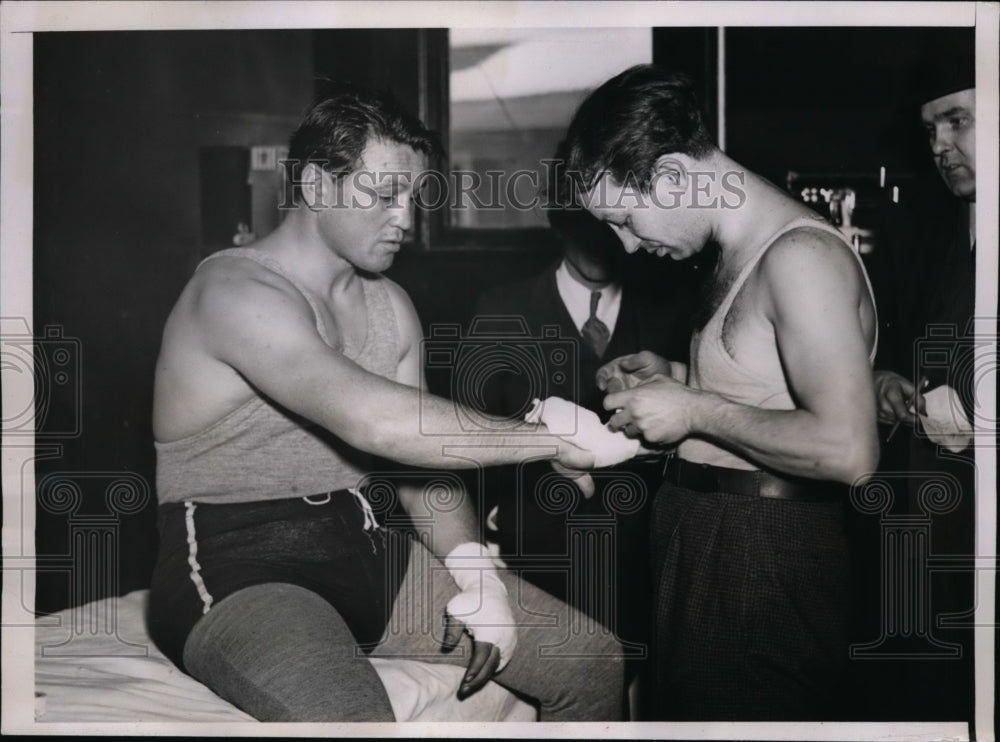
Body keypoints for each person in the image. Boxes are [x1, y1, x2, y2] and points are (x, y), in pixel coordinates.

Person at [147, 82, 625, 722]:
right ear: (316, 186)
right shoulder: (234, 293)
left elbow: (419, 466)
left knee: (592, 660)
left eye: (414, 196)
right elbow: (376, 422)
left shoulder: (389, 305)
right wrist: (556, 438)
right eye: (383, 195)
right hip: (242, 570)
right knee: (354, 718)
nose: (406, 218)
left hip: (365, 550)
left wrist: (475, 574)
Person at [560, 64, 880, 720]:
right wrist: (676, 379)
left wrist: (696, 408)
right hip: (709, 543)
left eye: (625, 217)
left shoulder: (800, 259)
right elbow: (770, 393)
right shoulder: (736, 253)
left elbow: (850, 450)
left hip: (763, 559)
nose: (627, 244)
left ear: (675, 175)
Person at [471, 142, 692, 708]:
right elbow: (467, 441)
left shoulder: (671, 312)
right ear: (555, 222)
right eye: (581, 225)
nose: (598, 242)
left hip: (649, 553)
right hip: (539, 552)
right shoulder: (501, 311)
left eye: (608, 225)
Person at [863, 30, 977, 721]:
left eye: (958, 119)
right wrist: (886, 382)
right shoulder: (936, 231)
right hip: (930, 543)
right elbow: (910, 349)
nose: (939, 144)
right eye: (930, 128)